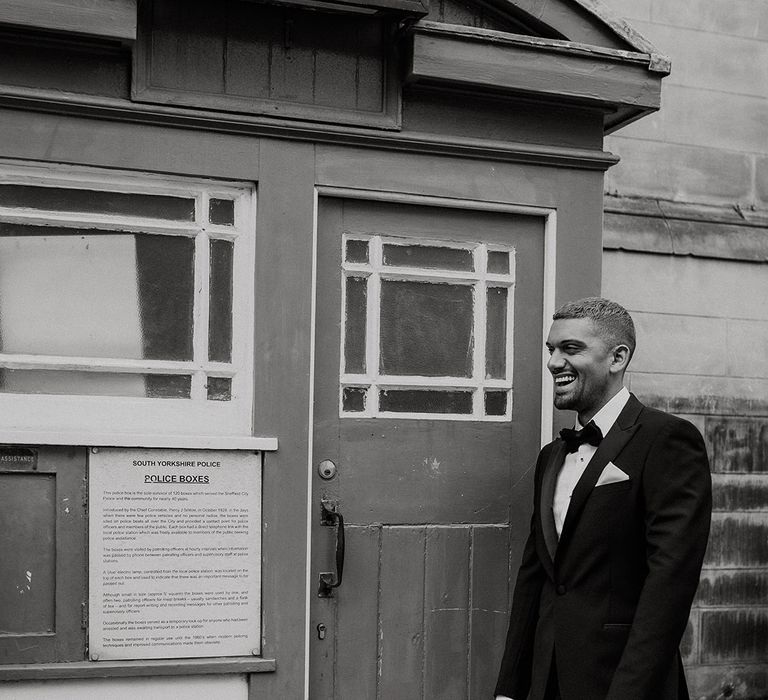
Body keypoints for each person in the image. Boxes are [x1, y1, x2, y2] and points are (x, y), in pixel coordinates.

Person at [495, 297, 711, 700]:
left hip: (624, 682)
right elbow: (534, 579)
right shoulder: (551, 457)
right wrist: (510, 687)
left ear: (617, 358)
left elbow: (669, 585)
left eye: (571, 349)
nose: (554, 362)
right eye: (551, 350)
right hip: (548, 682)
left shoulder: (667, 440)